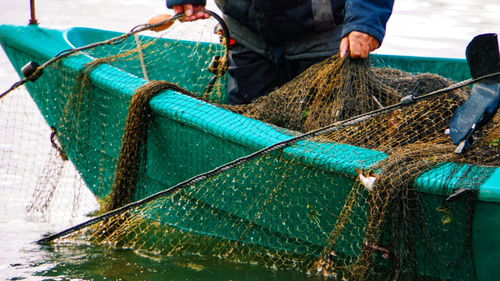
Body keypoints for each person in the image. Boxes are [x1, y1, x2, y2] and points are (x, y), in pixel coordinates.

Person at [165, 0, 394, 104]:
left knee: (327, 138)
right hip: (249, 35)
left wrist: (365, 23)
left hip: (324, 42)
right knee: (245, 128)